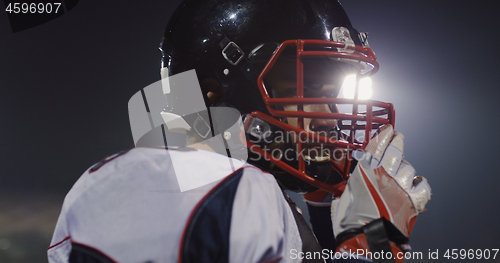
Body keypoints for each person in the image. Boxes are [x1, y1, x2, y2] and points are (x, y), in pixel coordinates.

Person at [47, 0, 431, 262]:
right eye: (309, 88)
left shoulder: (231, 190)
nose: (330, 116)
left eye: (333, 96)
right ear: (214, 91)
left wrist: (325, 216)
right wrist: (374, 243)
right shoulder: (200, 187)